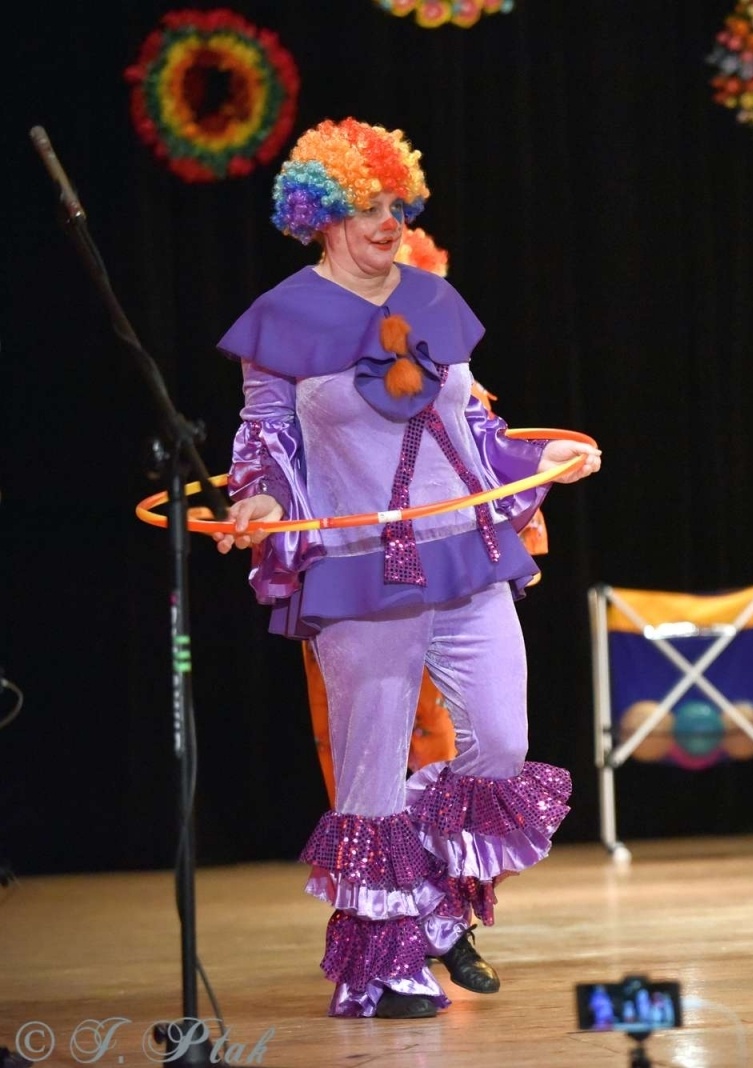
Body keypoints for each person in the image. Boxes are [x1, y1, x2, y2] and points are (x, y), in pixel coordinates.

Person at [212, 117, 602, 1019]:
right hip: (357, 568)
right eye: (364, 206)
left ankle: (421, 887)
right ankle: (380, 967)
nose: (387, 221)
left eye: (397, 203)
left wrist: (538, 463)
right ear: (319, 216)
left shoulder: (432, 300)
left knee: (501, 746)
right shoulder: (280, 319)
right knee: (371, 773)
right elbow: (265, 437)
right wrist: (264, 503)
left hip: (463, 551)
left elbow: (473, 425)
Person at [300, 226, 553, 805]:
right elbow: (281, 449)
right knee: (364, 760)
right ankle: (386, 875)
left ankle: (433, 866)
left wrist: (539, 466)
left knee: (465, 738)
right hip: (360, 574)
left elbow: (487, 451)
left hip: (455, 566)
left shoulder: (456, 379)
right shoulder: (319, 370)